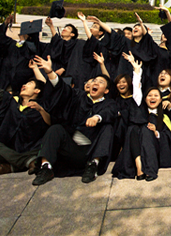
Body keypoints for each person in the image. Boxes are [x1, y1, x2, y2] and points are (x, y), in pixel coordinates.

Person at [31, 55, 117, 185]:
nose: (95, 83)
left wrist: (96, 117)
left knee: (108, 127)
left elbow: (109, 113)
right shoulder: (79, 96)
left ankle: (94, 165)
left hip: (91, 150)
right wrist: (50, 72)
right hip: (72, 149)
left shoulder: (109, 103)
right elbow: (64, 90)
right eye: (94, 81)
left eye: (100, 82)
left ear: (106, 91)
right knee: (55, 129)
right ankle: (46, 167)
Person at [0, 62, 49, 175]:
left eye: (29, 84)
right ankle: (28, 162)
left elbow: (45, 87)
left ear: (37, 91)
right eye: (24, 84)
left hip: (32, 147)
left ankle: (15, 165)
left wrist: (35, 69)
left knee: (44, 147)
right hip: (13, 150)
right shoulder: (11, 102)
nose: (23, 85)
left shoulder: (41, 106)